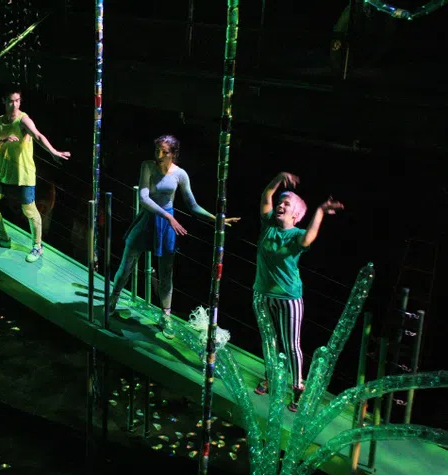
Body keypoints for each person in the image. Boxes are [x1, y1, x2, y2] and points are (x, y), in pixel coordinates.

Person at [109, 135, 239, 339]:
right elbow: (143, 197)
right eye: (157, 150)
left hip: (167, 225)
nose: (159, 155)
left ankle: (165, 317)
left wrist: (217, 219)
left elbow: (192, 205)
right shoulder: (147, 166)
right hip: (149, 219)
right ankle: (112, 301)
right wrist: (168, 216)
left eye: (165, 152)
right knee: (127, 264)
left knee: (166, 273)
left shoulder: (180, 174)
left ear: (174, 154)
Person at [252, 172, 344, 411]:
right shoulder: (268, 225)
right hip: (262, 294)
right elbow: (266, 195)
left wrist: (321, 211)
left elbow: (309, 237)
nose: (281, 205)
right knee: (268, 340)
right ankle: (271, 377)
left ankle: (297, 386)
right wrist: (279, 177)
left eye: (287, 204)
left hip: (288, 298)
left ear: (296, 215)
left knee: (291, 344)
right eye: (280, 202)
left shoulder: (296, 236)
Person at [0, 88, 71, 263]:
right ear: (4, 101)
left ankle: (38, 246)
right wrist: (3, 141)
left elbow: (38, 135)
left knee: (29, 210)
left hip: (23, 173)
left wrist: (53, 152)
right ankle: (3, 237)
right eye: (10, 101)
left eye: (17, 101)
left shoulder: (24, 120)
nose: (14, 105)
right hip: (2, 173)